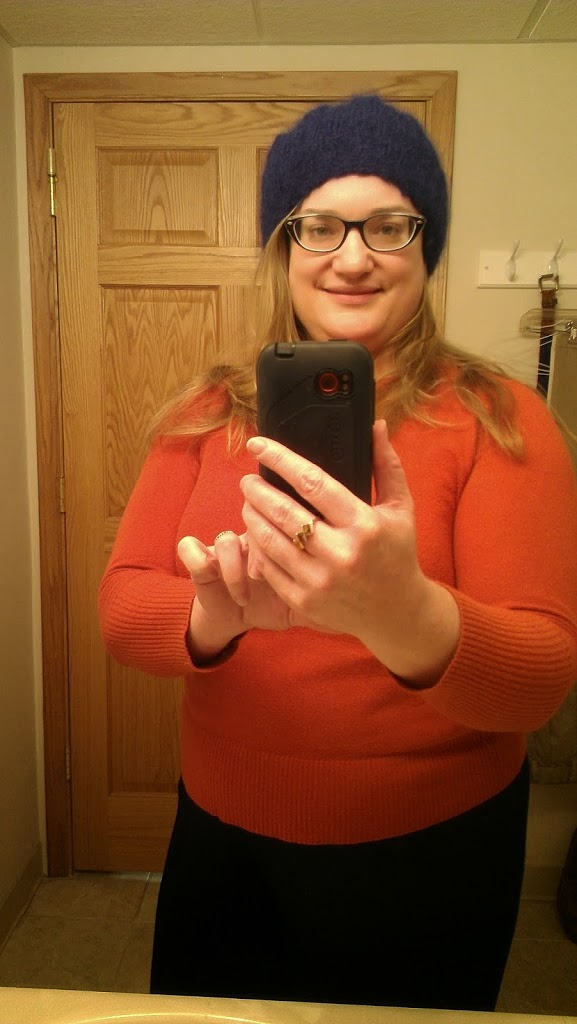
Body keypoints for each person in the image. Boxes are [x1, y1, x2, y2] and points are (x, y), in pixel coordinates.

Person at [98, 95, 577, 1011]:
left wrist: (403, 615)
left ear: (425, 248)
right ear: (283, 247)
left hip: (433, 847)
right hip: (223, 834)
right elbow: (123, 608)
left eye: (387, 226)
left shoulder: (501, 419)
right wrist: (212, 615)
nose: (352, 257)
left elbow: (539, 681)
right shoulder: (205, 413)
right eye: (318, 226)